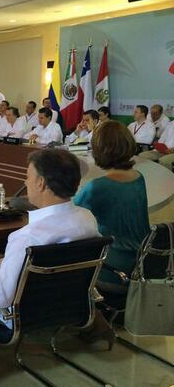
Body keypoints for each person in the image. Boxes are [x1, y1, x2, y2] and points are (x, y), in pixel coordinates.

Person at [0, 149, 98, 326]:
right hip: (65, 304)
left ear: (41, 183)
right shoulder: (88, 220)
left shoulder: (26, 238)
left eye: (27, 177)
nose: (25, 182)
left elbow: (1, 297)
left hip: (19, 314)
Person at [74, 120, 150, 291]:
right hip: (141, 265)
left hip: (112, 271)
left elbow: (68, 215)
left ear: (99, 150)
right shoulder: (139, 177)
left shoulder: (97, 186)